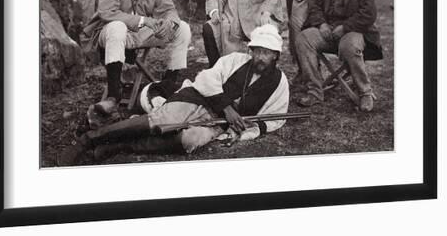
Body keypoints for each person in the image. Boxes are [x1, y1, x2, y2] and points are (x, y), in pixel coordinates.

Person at [60, 24, 289, 164]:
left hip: (218, 124)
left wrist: (246, 128)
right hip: (197, 99)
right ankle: (87, 141)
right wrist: (227, 108)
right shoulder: (235, 60)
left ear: (276, 56)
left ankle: (118, 146)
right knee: (163, 120)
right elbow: (206, 79)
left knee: (190, 140)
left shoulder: (280, 83)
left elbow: (276, 117)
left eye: (266, 53)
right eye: (257, 50)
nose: (259, 57)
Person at [81, 0, 191, 114]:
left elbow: (169, 10)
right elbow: (107, 12)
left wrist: (168, 23)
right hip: (111, 33)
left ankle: (168, 87)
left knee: (183, 28)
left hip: (139, 35)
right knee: (117, 26)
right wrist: (144, 20)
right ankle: (113, 97)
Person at [295, 0, 383, 112]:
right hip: (327, 30)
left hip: (354, 31)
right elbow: (314, 4)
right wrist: (321, 24)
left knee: (349, 46)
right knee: (304, 39)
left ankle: (365, 92)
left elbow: (368, 13)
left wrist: (345, 27)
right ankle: (315, 92)